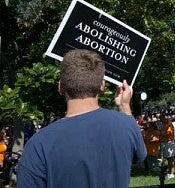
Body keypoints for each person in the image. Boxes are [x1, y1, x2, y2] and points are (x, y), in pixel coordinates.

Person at [16, 49, 146, 188]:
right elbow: (139, 154)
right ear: (102, 86)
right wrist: (124, 105)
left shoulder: (39, 144)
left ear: (61, 86)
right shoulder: (126, 125)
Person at [159, 112, 175, 179]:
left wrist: (161, 134)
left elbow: (168, 133)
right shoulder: (164, 125)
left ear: (164, 118)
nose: (161, 120)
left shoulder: (169, 125)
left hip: (169, 143)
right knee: (168, 158)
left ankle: (172, 173)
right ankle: (169, 172)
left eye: (161, 119)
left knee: (171, 158)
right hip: (165, 143)